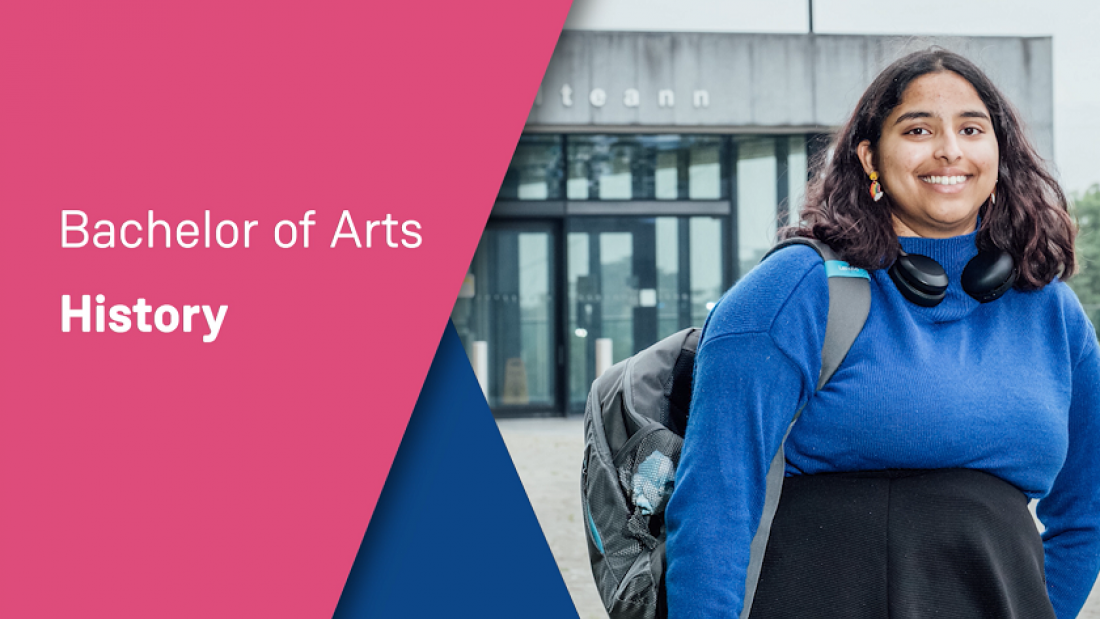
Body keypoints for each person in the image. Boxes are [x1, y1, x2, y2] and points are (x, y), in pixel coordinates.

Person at [664, 48, 1100, 619]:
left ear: (999, 152)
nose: (949, 149)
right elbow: (713, 508)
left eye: (972, 128)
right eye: (918, 128)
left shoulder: (1052, 312)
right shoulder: (795, 290)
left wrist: (1035, 606)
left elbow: (1088, 508)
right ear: (871, 156)